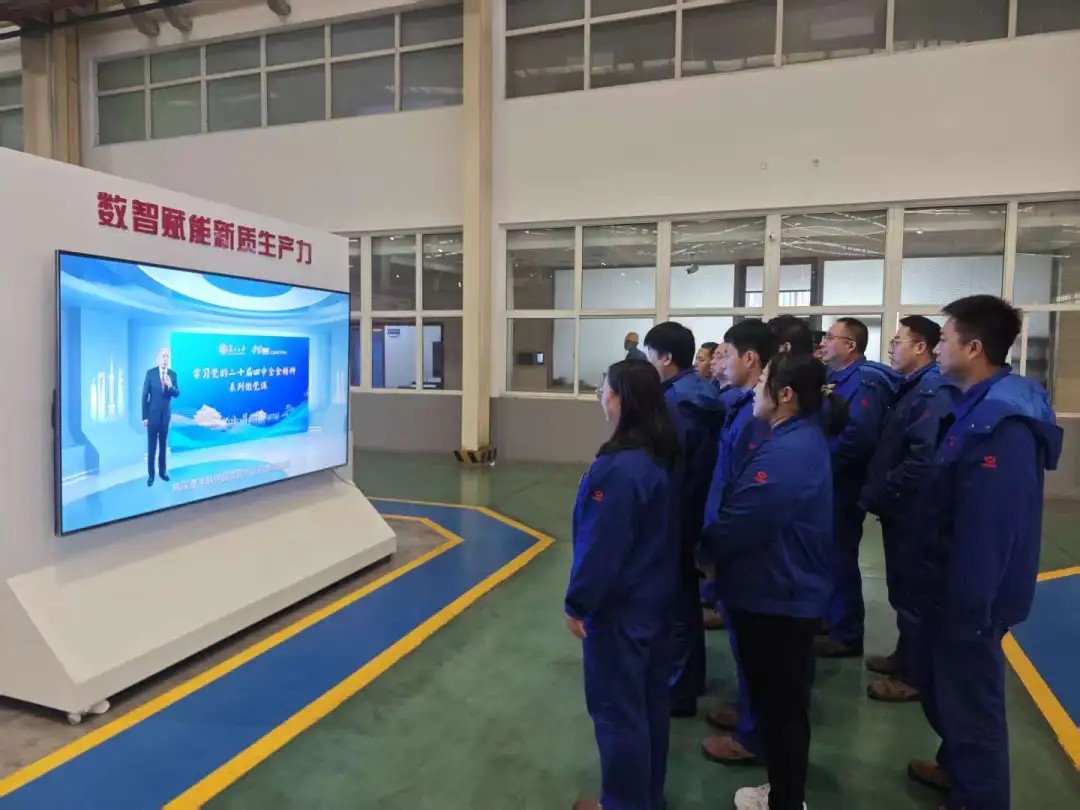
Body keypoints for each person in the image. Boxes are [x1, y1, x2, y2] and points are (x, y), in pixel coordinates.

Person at [907, 296, 1061, 810]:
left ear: (973, 348)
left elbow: (991, 531)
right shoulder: (974, 404)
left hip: (971, 596)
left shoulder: (1001, 424)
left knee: (973, 706)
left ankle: (981, 798)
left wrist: (971, 609)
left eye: (945, 339)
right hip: (949, 582)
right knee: (948, 690)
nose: (937, 348)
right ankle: (957, 768)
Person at [702, 353, 848, 810]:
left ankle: (786, 800)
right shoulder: (792, 436)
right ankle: (783, 792)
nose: (755, 387)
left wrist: (704, 552)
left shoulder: (789, 451)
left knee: (781, 710)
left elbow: (748, 518)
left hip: (777, 595)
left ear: (785, 395)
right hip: (777, 586)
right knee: (778, 705)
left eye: (763, 379)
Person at [566, 359, 680, 810]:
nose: (601, 395)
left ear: (620, 399)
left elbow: (602, 546)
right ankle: (645, 796)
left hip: (621, 610)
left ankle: (623, 803)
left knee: (617, 711)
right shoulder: (656, 454)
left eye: (604, 388)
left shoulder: (619, 469)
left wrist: (579, 603)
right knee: (649, 705)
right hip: (654, 600)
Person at [860, 316, 959, 702]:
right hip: (903, 509)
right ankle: (906, 656)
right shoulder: (912, 387)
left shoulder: (930, 392)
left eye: (898, 340)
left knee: (913, 593)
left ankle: (913, 676)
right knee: (903, 590)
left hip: (914, 511)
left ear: (921, 347)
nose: (891, 347)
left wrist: (887, 491)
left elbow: (921, 459)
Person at [700, 319, 778, 766]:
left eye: (726, 354)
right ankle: (751, 713)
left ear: (750, 358)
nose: (720, 362)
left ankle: (754, 734)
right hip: (733, 543)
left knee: (756, 649)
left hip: (744, 551)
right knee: (746, 645)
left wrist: (718, 546)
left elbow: (745, 493)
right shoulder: (744, 406)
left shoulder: (758, 418)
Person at [643, 322, 727, 718]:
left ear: (665, 358)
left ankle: (677, 690)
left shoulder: (675, 405)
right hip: (698, 510)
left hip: (678, 516)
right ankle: (687, 679)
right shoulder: (705, 393)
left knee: (675, 605)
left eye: (649, 355)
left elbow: (672, 471)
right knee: (685, 602)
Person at [817, 318, 900, 657]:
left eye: (830, 337)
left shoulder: (865, 382)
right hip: (830, 479)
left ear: (850, 345)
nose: (823, 342)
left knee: (840, 554)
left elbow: (858, 438)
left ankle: (846, 632)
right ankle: (829, 618)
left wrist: (818, 463)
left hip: (846, 481)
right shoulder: (833, 378)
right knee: (826, 552)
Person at [142, 347, 180, 487]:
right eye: (163, 356)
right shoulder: (150, 373)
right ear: (158, 358)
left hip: (165, 416)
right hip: (152, 416)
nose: (165, 359)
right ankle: (151, 475)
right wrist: (145, 416)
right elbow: (144, 396)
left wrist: (170, 386)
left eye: (167, 356)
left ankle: (162, 472)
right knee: (152, 446)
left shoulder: (172, 375)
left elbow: (177, 394)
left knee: (163, 445)